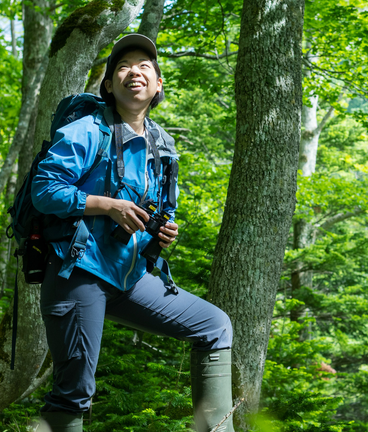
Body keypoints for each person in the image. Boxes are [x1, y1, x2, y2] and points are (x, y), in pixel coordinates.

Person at [31, 33, 234, 432]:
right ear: (109, 85)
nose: (133, 72)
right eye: (122, 67)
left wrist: (164, 232)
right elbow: (45, 190)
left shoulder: (164, 145)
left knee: (214, 326)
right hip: (79, 272)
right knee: (74, 390)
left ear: (159, 84)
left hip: (129, 276)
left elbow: (164, 208)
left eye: (145, 66)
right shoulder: (89, 130)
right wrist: (107, 205)